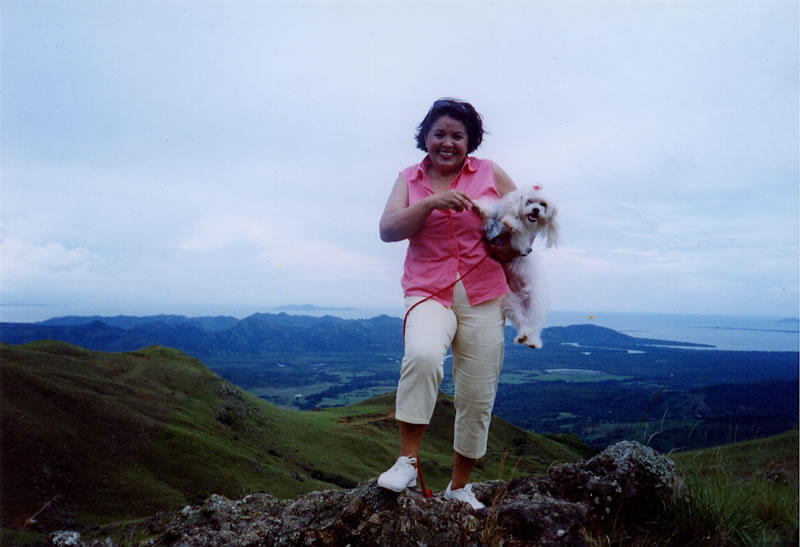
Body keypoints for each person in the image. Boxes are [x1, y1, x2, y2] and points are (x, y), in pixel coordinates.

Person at [377, 98, 518, 509]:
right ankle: (406, 462)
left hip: (484, 294)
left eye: (458, 135)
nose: (447, 142)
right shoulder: (409, 178)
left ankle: (459, 488)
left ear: (470, 141)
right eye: (439, 133)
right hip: (427, 290)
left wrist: (507, 236)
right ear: (425, 137)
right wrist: (430, 204)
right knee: (421, 355)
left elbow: (526, 218)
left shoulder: (491, 173)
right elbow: (387, 230)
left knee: (478, 392)